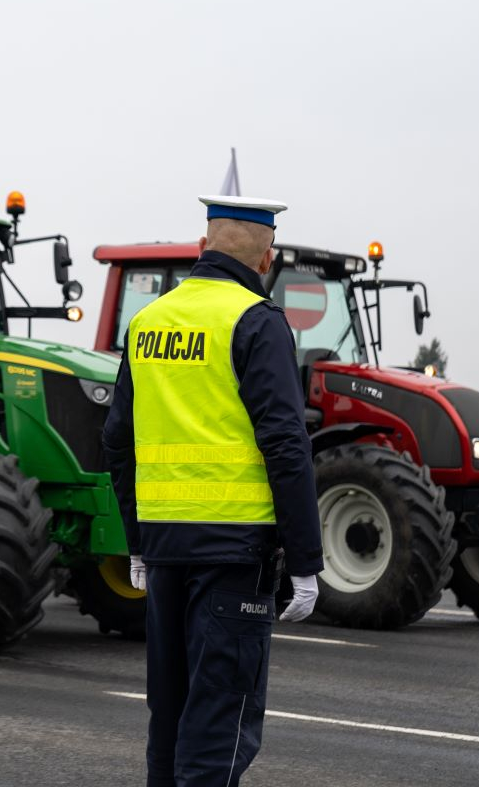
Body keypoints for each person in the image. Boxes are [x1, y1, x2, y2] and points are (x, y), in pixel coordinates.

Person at [103, 195, 324, 787]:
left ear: (201, 249)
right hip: (234, 555)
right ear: (266, 259)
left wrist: (138, 543)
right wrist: (305, 561)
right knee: (219, 724)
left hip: (166, 550)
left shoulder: (147, 325)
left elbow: (117, 442)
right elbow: (285, 444)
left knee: (169, 719)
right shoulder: (256, 321)